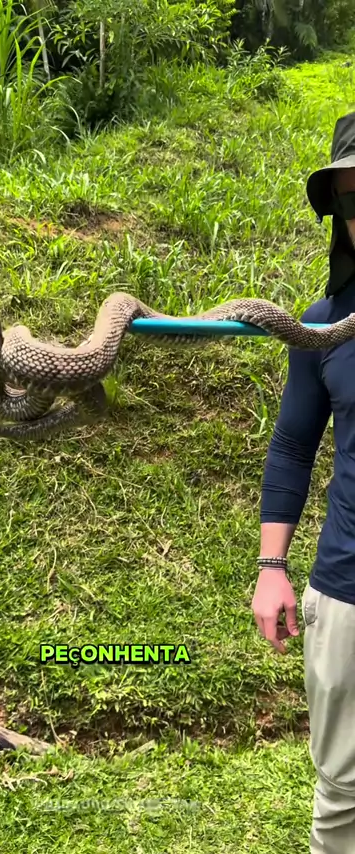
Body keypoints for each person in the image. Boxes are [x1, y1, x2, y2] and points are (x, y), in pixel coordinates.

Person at [251, 111, 355, 853]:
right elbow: (292, 447)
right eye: (352, 197)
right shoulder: (320, 327)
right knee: (343, 792)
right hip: (348, 588)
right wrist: (271, 567)